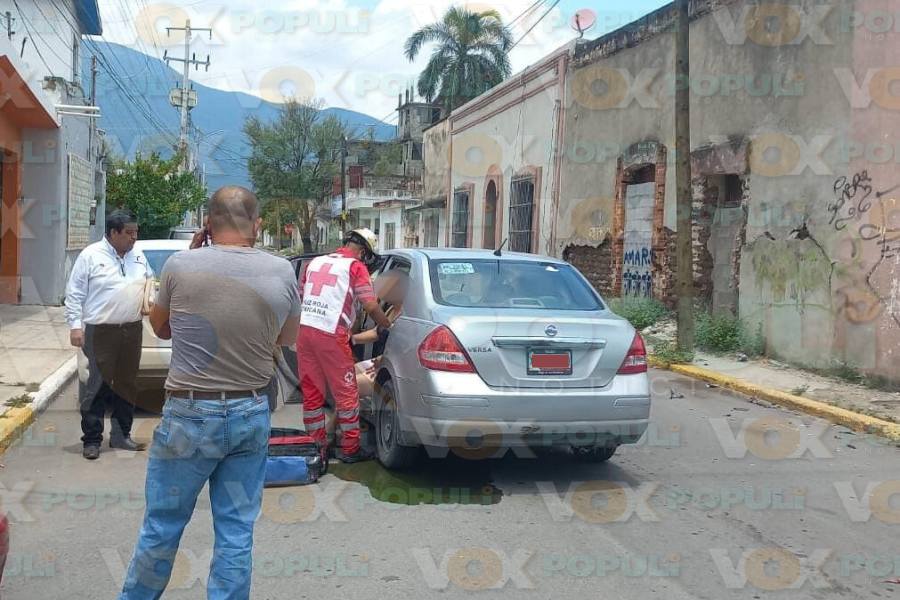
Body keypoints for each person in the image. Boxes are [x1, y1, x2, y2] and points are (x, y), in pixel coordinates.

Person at [119, 186, 300, 599]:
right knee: (236, 530)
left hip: (189, 413)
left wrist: (196, 253)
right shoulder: (282, 271)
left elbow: (161, 327)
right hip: (251, 409)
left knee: (162, 526)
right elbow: (286, 338)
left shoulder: (181, 267)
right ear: (257, 225)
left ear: (207, 224)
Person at [297, 228, 392, 463]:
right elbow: (370, 305)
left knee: (312, 393)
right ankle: (350, 449)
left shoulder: (315, 262)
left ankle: (317, 446)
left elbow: (302, 296)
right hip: (332, 334)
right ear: (362, 251)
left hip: (306, 331)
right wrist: (386, 324)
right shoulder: (355, 267)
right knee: (347, 394)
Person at [65, 209, 151, 460]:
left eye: (136, 232)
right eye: (129, 233)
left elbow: (148, 281)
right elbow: (75, 293)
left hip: (131, 329)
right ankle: (92, 440)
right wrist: (75, 326)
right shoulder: (91, 255)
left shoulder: (137, 255)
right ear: (113, 233)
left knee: (127, 384)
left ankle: (121, 435)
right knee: (97, 385)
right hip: (100, 330)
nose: (134, 238)